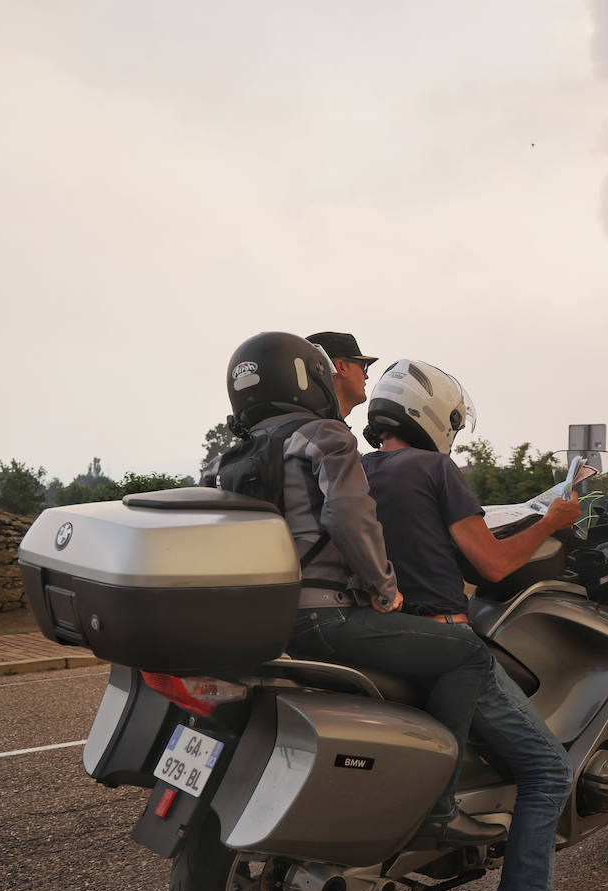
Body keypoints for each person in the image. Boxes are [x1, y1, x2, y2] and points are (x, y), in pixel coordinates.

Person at [205, 331, 504, 848]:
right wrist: (384, 587)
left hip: (265, 618)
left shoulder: (227, 459)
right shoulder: (325, 435)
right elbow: (349, 515)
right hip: (326, 615)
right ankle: (439, 808)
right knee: (467, 654)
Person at [360, 357, 601, 891]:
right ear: (434, 417)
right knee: (549, 769)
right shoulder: (437, 468)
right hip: (441, 636)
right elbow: (490, 566)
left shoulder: (354, 471)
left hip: (376, 637)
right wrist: (551, 522)